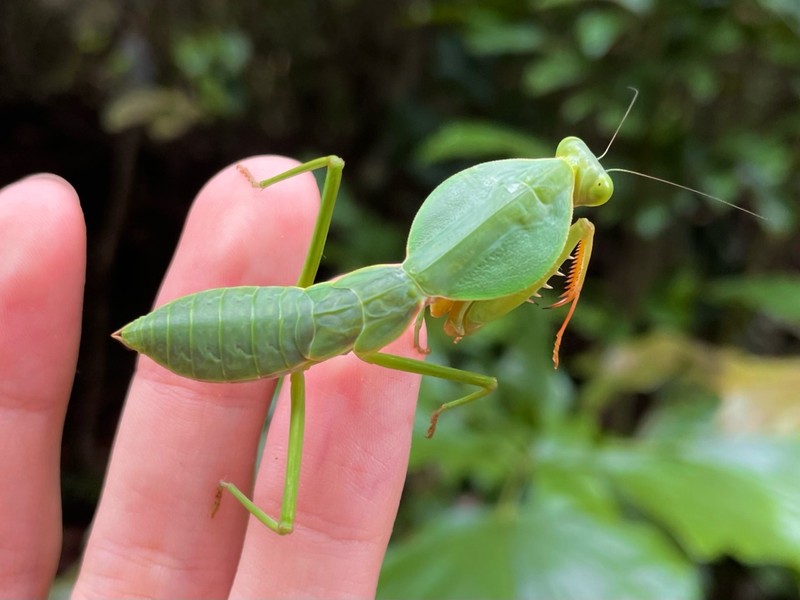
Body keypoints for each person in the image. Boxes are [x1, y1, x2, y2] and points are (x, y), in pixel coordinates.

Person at [0, 157, 422, 598]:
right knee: (286, 522)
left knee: (332, 167)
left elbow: (333, 164)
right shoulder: (387, 327)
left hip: (255, 315)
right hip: (244, 335)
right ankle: (225, 486)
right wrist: (224, 488)